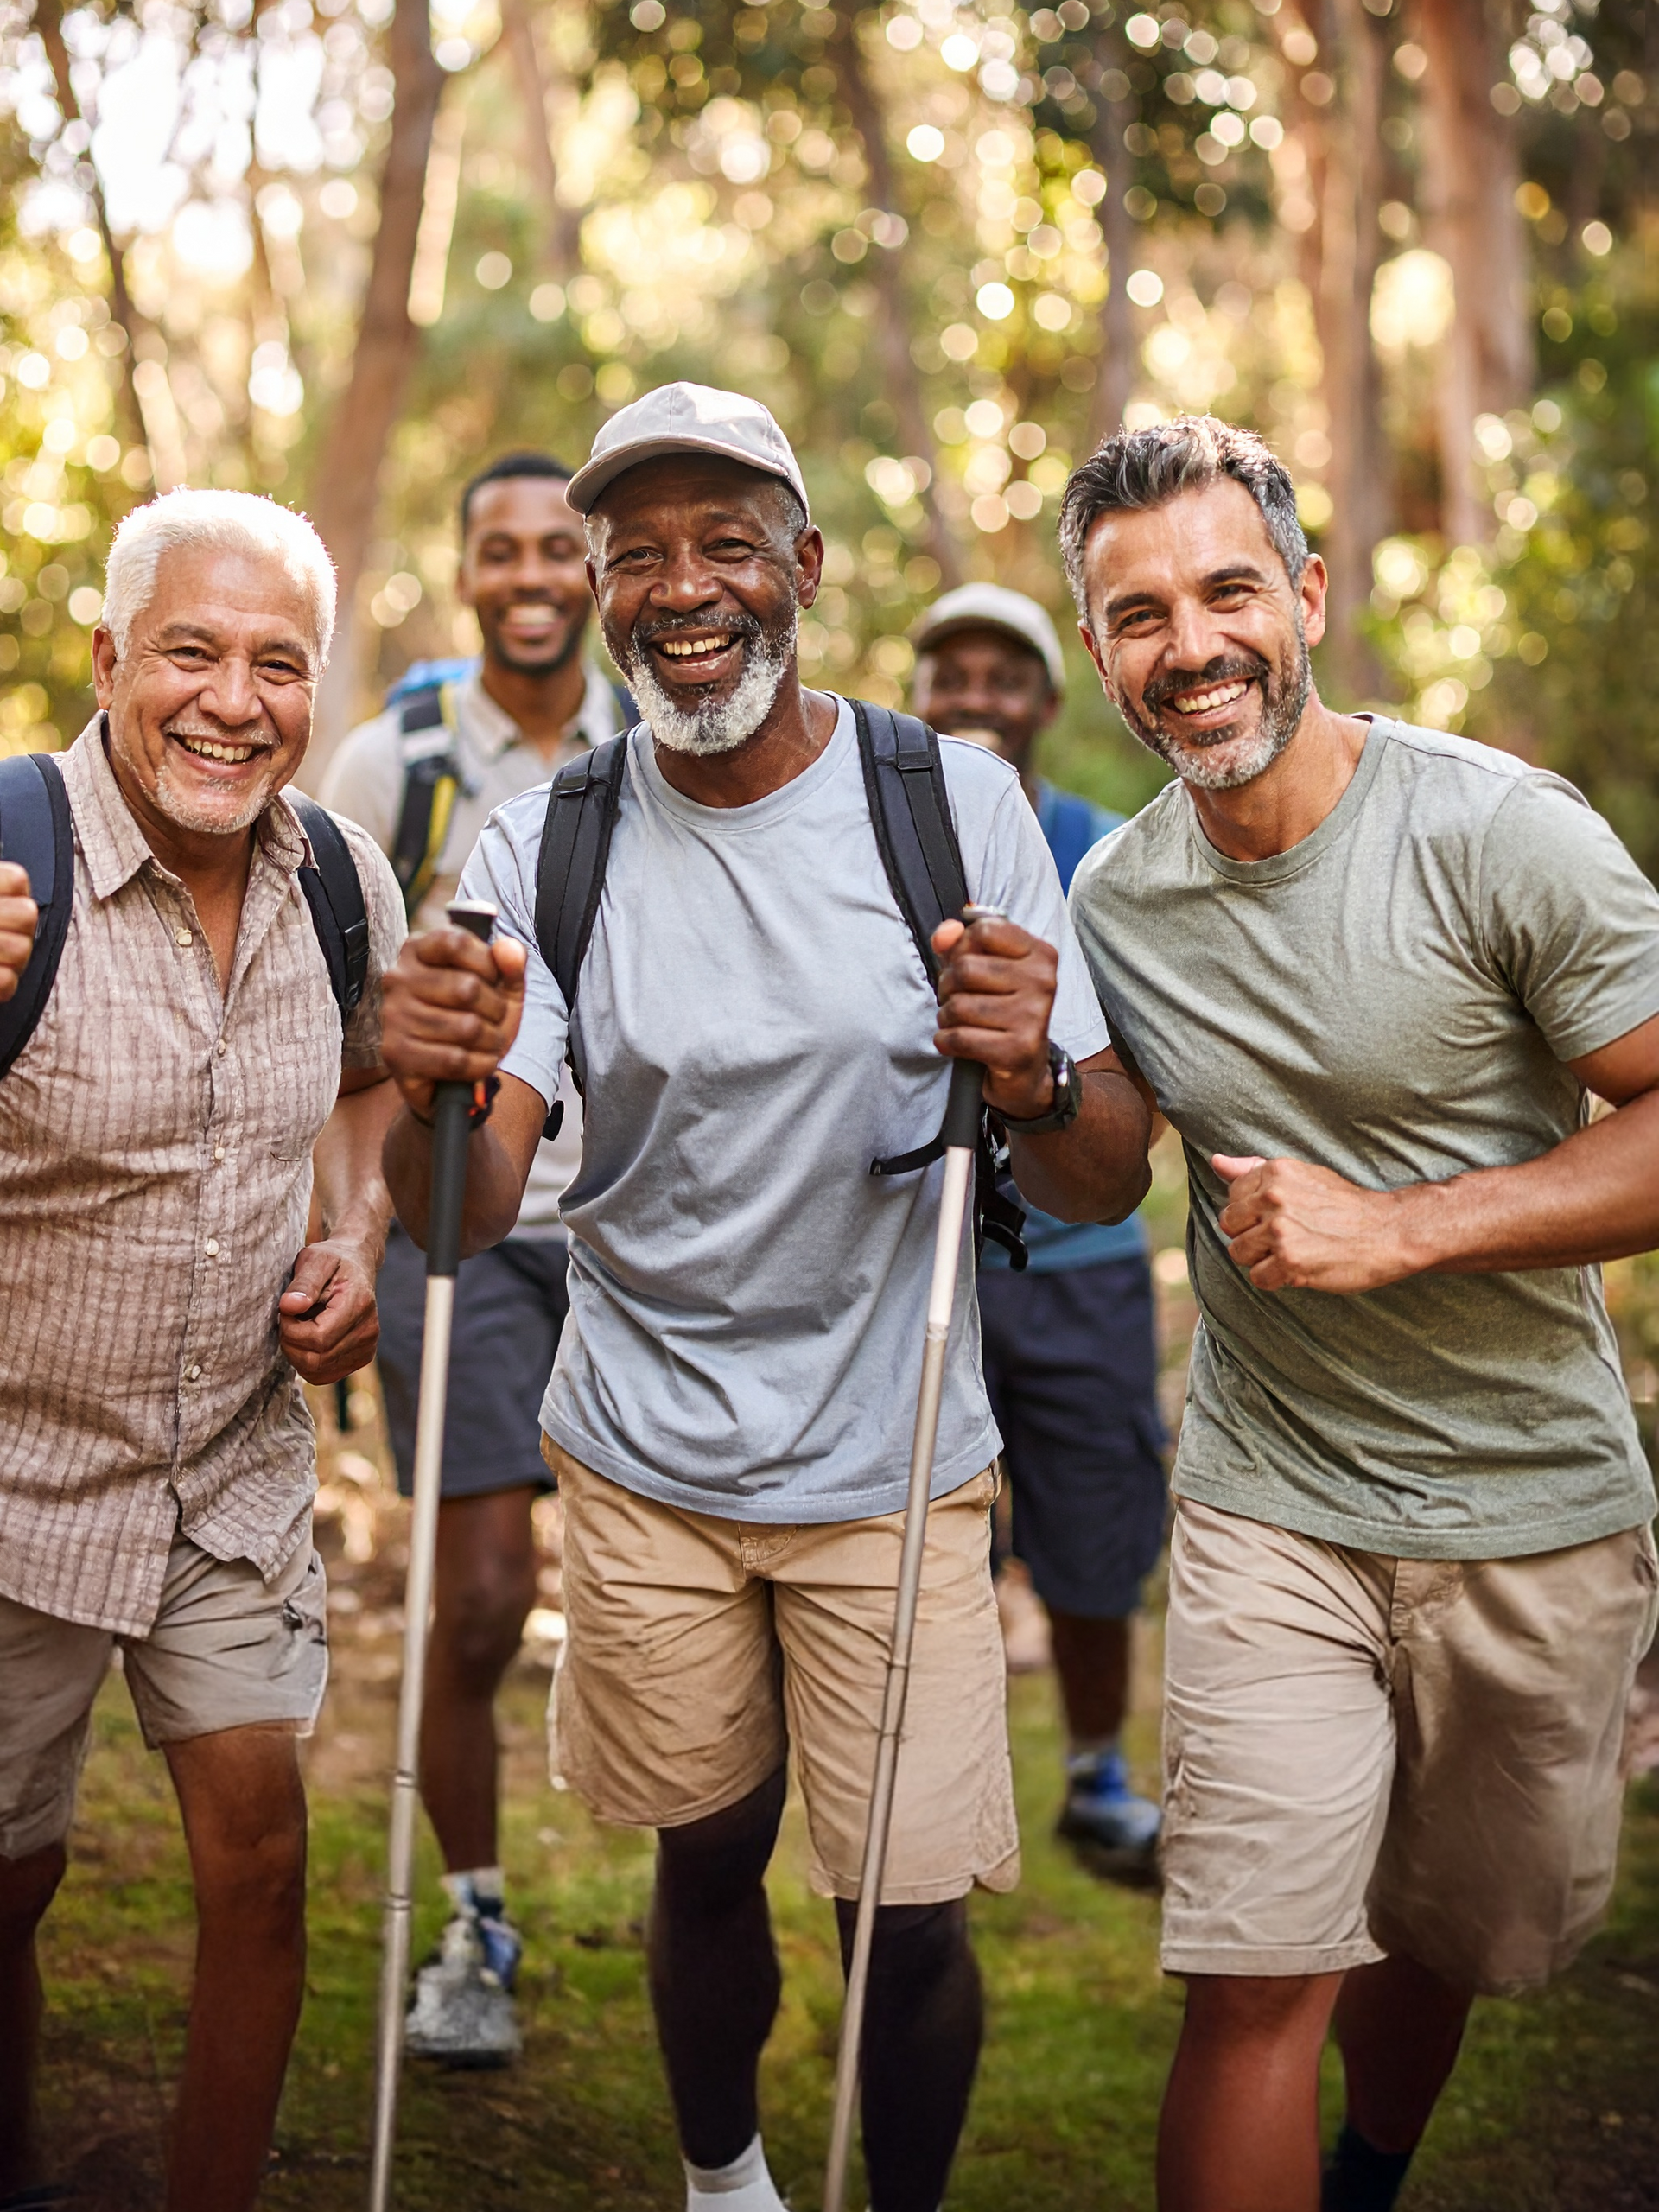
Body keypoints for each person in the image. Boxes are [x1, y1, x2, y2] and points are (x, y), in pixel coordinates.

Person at [378, 382, 1154, 2212]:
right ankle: (725, 2180)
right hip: (648, 1449)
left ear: (803, 566)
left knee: (907, 1909)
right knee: (709, 1852)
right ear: (600, 588)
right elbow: (461, 1214)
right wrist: (430, 1083)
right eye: (636, 554)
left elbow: (1105, 1174)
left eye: (725, 544)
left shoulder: (950, 804)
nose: (682, 589)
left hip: (895, 1443)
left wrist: (1037, 1074)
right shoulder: (545, 843)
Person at [1058, 415, 1659, 2212]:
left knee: (1447, 1937)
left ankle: (1372, 2167)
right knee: (1252, 1977)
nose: (1193, 646)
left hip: (1531, 1505)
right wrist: (1027, 1073)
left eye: (1229, 591)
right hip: (1275, 1501)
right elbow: (1089, 1175)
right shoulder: (1116, 903)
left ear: (1308, 596)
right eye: (1141, 614)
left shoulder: (1499, 834)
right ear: (1100, 649)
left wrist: (1404, 1229)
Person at [0, 489, 404, 2212]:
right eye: (190, 652)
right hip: (13, 1483)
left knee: (261, 1868)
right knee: (9, 1891)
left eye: (277, 664)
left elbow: (375, 1082)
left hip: (227, 1475)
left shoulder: (344, 882)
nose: (233, 701)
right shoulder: (11, 857)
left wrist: (355, 1242)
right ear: (109, 661)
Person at [320, 451, 627, 2063]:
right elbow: (334, 1023)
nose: (529, 576)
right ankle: (474, 1922)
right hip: (467, 1227)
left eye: (557, 550)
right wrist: (354, 1225)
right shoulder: (399, 765)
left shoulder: (657, 736)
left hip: (639, 1226)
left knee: (671, 1604)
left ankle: (706, 1917)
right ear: (464, 575)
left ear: (597, 572)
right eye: (499, 550)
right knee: (488, 1594)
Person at [912, 582, 1166, 1872]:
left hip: (1081, 1264)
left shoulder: (1104, 856)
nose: (977, 697)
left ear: (1050, 701)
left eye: (1002, 676)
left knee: (1094, 1529)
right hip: (915, 1259)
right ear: (918, 695)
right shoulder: (878, 843)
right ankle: (924, 1790)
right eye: (950, 675)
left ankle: (1095, 1774)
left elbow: (1141, 1079)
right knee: (920, 1531)